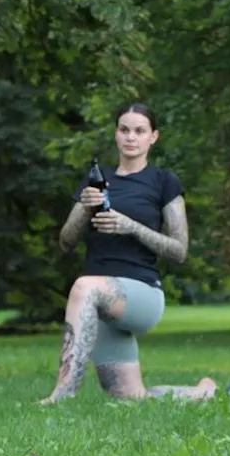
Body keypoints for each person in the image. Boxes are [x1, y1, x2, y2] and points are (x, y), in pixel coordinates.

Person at [39, 103, 216, 405]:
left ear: (153, 137)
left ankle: (62, 395)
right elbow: (66, 242)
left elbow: (179, 251)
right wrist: (85, 206)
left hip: (142, 294)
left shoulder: (163, 182)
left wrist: (130, 226)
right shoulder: (97, 179)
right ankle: (202, 392)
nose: (131, 137)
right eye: (124, 130)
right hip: (97, 302)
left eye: (139, 131)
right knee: (131, 398)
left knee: (84, 285)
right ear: (116, 134)